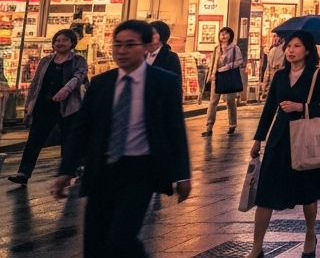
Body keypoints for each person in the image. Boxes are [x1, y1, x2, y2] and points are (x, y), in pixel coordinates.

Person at [51, 20, 191, 256]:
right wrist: (67, 170)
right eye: (117, 45)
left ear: (146, 47)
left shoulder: (164, 83)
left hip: (140, 171)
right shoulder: (101, 83)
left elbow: (175, 129)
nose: (122, 51)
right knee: (94, 244)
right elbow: (81, 129)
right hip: (102, 170)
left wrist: (183, 175)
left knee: (121, 239)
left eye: (130, 45)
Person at [247, 31, 320, 258]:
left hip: (305, 140)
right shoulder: (280, 76)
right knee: (265, 194)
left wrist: (300, 107)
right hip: (279, 138)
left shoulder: (317, 75)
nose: (291, 50)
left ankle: (310, 235)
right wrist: (258, 139)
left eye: (297, 46)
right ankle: (256, 247)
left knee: (308, 193)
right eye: (289, 46)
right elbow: (269, 108)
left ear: (308, 50)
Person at [10, 30, 87, 185]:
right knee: (34, 140)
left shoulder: (78, 60)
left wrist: (65, 90)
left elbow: (79, 77)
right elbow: (36, 83)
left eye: (65, 40)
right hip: (44, 106)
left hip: (68, 108)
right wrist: (29, 105)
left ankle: (69, 172)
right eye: (58, 40)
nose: (60, 43)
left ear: (72, 43)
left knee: (69, 141)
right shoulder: (45, 60)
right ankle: (23, 172)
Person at [202, 27, 243, 137]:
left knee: (230, 101)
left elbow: (239, 61)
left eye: (226, 34)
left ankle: (232, 124)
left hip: (229, 77)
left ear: (230, 36)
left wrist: (226, 67)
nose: (223, 36)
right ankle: (209, 127)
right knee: (213, 102)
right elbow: (212, 63)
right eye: (221, 34)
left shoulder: (235, 48)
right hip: (217, 77)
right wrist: (210, 76)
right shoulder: (216, 49)